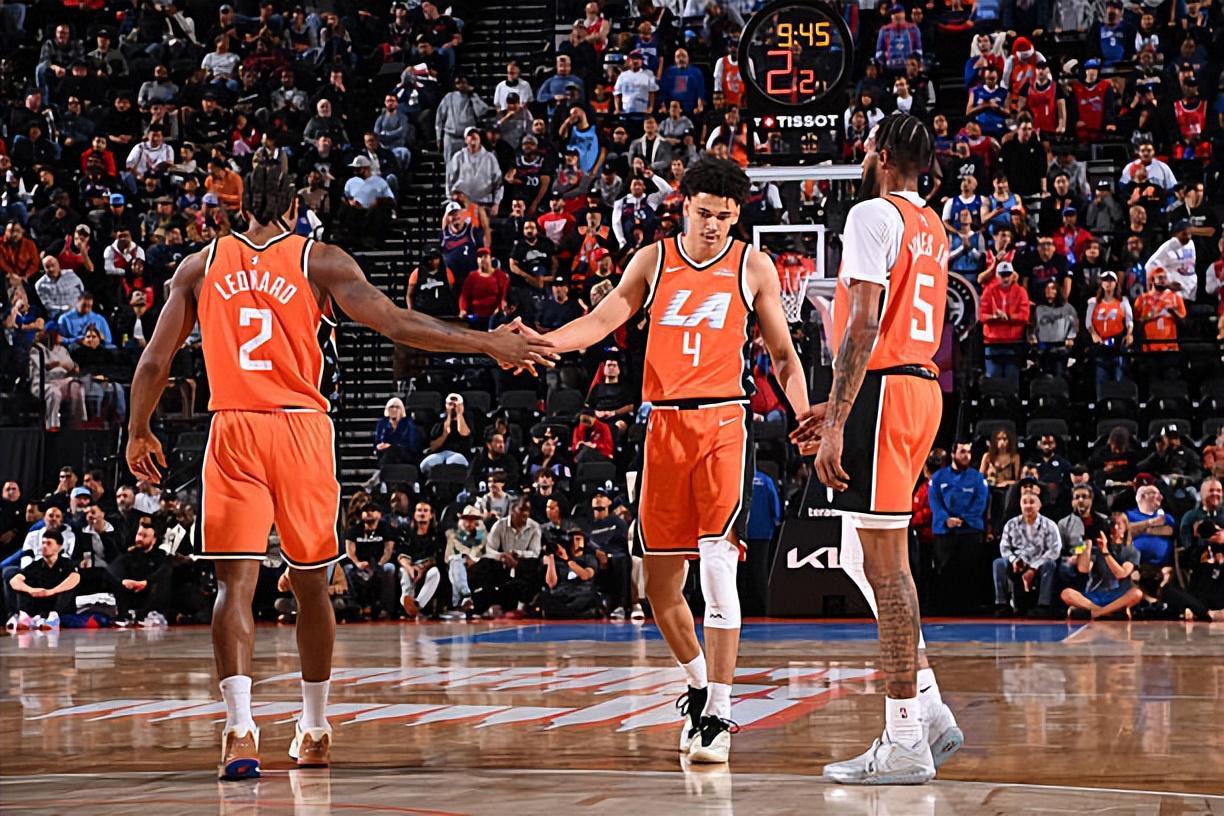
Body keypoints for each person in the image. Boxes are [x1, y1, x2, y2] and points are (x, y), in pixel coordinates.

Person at [124, 171, 554, 779]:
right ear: (295, 205)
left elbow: (154, 361)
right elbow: (396, 323)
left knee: (234, 587)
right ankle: (315, 727)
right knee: (310, 585)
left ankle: (239, 730)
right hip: (300, 429)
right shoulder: (318, 259)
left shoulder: (199, 266)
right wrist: (486, 343)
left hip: (234, 428)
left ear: (240, 208)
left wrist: (138, 430)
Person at [513, 156, 811, 764]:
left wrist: (805, 413)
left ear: (736, 215)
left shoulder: (752, 265)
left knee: (718, 569)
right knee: (659, 589)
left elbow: (782, 356)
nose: (713, 225)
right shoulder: (653, 261)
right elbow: (601, 320)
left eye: (724, 217)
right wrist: (545, 342)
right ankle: (699, 688)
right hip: (664, 429)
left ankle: (720, 714)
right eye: (704, 214)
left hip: (724, 423)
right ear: (684, 206)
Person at [790, 114, 961, 785]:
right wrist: (839, 407)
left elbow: (862, 324)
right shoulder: (933, 225)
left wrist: (838, 421)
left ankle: (906, 740)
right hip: (915, 389)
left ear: (882, 156)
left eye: (866, 150)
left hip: (887, 392)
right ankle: (930, 709)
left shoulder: (871, 213)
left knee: (887, 571)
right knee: (863, 558)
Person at [928, 441, 989, 615]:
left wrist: (963, 519)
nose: (966, 456)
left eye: (969, 452)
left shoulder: (978, 478)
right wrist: (946, 519)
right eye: (962, 452)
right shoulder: (938, 478)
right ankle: (944, 609)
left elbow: (980, 502)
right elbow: (934, 502)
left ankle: (969, 609)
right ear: (953, 454)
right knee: (944, 571)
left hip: (970, 531)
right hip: (945, 531)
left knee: (969, 571)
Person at [1060, 512, 1143, 620]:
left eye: (1119, 525)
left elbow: (1121, 574)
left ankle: (1094, 612)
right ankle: (1106, 612)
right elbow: (1083, 569)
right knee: (1066, 593)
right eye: (1112, 524)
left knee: (1137, 593)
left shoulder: (1132, 551)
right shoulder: (1096, 547)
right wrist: (1087, 544)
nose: (1115, 528)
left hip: (1118, 596)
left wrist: (1105, 552)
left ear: (1125, 528)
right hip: (1096, 595)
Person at [993, 493, 1062, 615]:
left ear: (1039, 506)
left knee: (1050, 564)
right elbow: (1004, 548)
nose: (1028, 506)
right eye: (1024, 502)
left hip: (1040, 561)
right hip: (1018, 560)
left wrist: (1033, 567)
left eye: (1032, 502)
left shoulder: (1050, 525)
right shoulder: (1011, 524)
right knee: (998, 563)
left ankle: (1043, 605)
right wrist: (1014, 560)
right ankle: (1002, 604)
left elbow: (1054, 550)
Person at [5, 528, 79, 630]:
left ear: (59, 547)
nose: (44, 546)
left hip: (59, 605)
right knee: (17, 581)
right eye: (43, 543)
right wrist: (30, 590)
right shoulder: (35, 565)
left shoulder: (66, 563)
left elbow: (75, 578)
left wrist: (52, 591)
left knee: (68, 587)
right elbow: (15, 580)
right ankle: (23, 616)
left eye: (49, 543)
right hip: (40, 604)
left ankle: (54, 617)